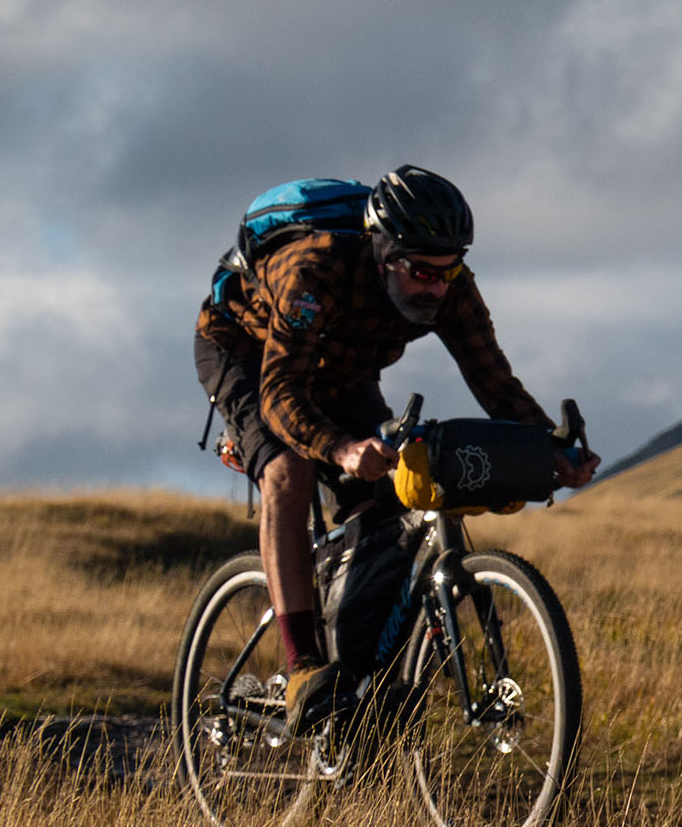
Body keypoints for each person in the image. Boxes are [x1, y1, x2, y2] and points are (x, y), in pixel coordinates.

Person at [194, 165, 599, 731]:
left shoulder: (450, 285)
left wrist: (548, 451)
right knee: (288, 473)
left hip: (344, 370)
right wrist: (338, 449)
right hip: (247, 352)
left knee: (390, 503)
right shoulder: (316, 268)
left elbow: (494, 382)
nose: (436, 285)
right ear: (383, 253)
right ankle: (305, 667)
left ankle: (359, 677)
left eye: (448, 268)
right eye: (420, 272)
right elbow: (282, 389)